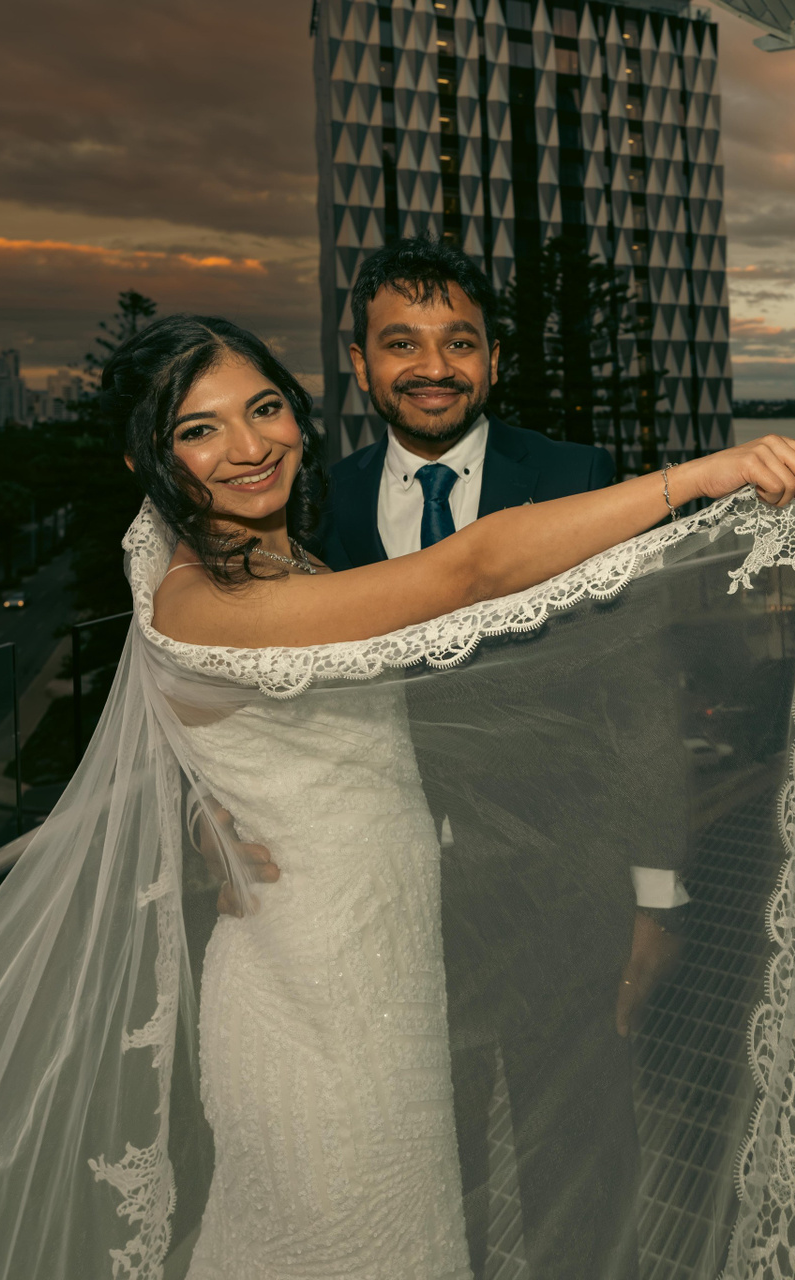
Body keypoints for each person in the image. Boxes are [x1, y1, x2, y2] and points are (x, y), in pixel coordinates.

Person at [0, 311, 795, 1280]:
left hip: (383, 966)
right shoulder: (203, 594)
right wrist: (697, 477)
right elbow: (467, 572)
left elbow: (241, 720)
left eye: (264, 408)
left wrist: (203, 792)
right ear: (151, 457)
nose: (250, 444)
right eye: (201, 428)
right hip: (309, 1003)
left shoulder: (269, 561)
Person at [315, 238, 682, 1279]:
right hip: (389, 905)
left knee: (583, 1168)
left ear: (494, 358)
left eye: (459, 341)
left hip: (565, 893)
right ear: (360, 363)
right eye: (402, 343)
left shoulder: (573, 479)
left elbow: (639, 694)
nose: (433, 367)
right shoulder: (318, 502)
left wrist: (657, 896)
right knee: (432, 1173)